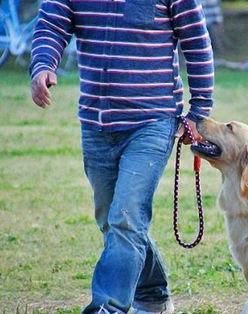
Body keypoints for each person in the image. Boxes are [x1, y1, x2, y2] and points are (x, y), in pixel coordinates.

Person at [29, 0, 214, 312]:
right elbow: (51, 25)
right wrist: (43, 65)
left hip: (152, 121)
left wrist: (198, 111)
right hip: (96, 123)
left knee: (125, 216)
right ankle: (153, 295)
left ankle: (109, 306)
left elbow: (196, 41)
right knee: (112, 218)